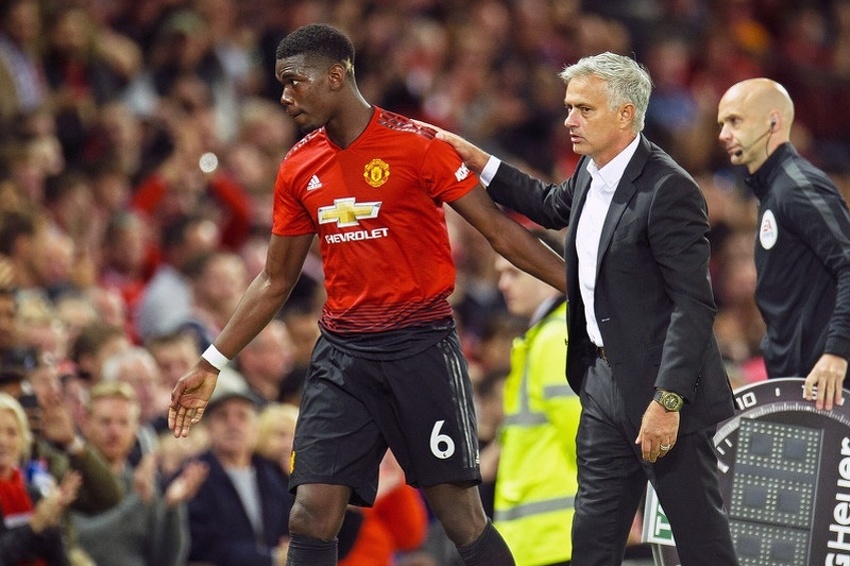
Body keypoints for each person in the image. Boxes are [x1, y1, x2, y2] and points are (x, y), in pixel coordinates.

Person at [169, 23, 565, 566]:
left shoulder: (418, 145)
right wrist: (213, 361)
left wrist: (584, 291)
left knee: (460, 519)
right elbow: (275, 279)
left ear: (336, 76)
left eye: (293, 82)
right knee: (310, 514)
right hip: (343, 356)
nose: (284, 97)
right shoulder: (298, 165)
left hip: (420, 348)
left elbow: (499, 232)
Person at [437, 52, 737, 565]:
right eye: (569, 107)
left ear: (625, 114)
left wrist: (668, 402)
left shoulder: (669, 189)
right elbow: (549, 202)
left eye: (583, 109)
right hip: (600, 385)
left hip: (662, 395)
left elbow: (693, 306)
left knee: (700, 542)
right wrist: (476, 158)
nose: (569, 120)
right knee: (592, 545)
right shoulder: (589, 172)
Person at [716, 77, 850, 410]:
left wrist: (837, 352)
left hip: (829, 384)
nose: (723, 134)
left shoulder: (798, 187)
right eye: (721, 123)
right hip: (802, 383)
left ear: (773, 122)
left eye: (735, 121)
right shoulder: (775, 192)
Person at [492, 229, 578, 566]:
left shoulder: (557, 337)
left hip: (555, 537)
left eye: (513, 270)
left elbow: (581, 436)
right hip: (542, 538)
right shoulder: (547, 334)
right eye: (499, 274)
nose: (503, 284)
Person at [73, 381, 208, 566]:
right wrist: (138, 501)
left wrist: (172, 507)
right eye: (105, 421)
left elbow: (166, 560)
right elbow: (84, 541)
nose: (115, 431)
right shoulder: (73, 477)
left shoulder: (142, 482)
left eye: (123, 422)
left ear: (136, 428)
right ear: (85, 423)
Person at [186, 380, 293, 566]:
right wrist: (270, 559)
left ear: (256, 427)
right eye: (222, 416)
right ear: (208, 428)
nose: (232, 424)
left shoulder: (274, 475)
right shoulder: (192, 476)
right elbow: (201, 545)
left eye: (242, 416)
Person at [0, 392, 82, 565]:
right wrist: (35, 525)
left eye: (12, 432)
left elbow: (58, 558)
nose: (2, 441)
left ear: (23, 441)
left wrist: (52, 518)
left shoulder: (34, 494)